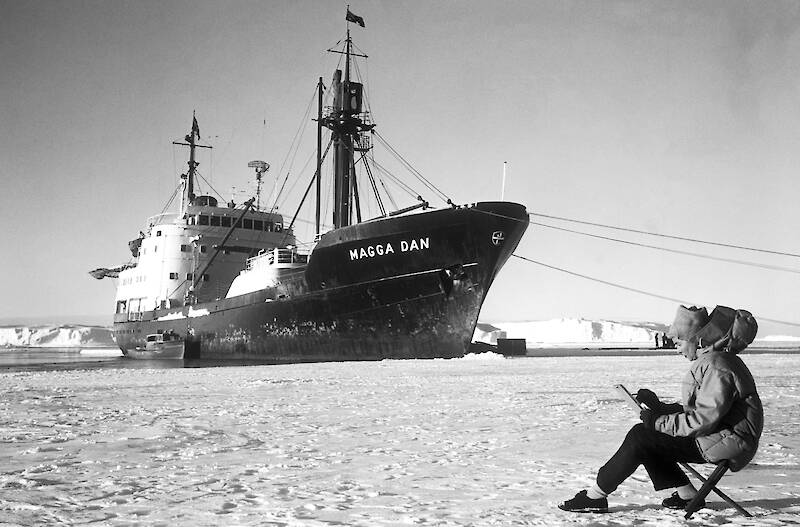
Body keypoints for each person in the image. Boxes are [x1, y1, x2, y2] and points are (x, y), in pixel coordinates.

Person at [558, 305, 763, 513]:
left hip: (729, 442)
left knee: (642, 436)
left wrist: (658, 421)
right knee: (650, 436)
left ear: (698, 340)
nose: (678, 349)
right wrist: (660, 408)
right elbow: (704, 411)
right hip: (723, 436)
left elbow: (702, 419)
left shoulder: (717, 365)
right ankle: (688, 496)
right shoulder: (716, 361)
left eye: (680, 342)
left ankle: (595, 497)